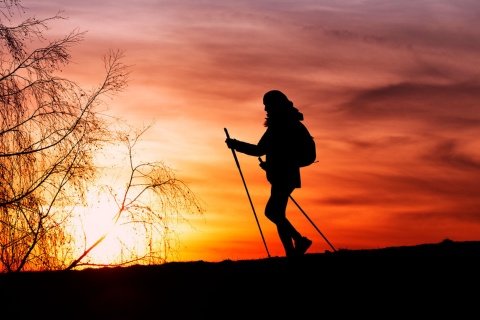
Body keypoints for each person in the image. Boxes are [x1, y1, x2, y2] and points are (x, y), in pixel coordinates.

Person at [225, 90, 312, 258]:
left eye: (267, 105)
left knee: (272, 213)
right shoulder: (290, 123)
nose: (265, 109)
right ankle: (291, 252)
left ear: (275, 105)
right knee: (279, 214)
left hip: (284, 176)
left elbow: (260, 149)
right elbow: (280, 152)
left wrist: (235, 144)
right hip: (285, 174)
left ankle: (299, 240)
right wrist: (271, 165)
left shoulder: (280, 125)